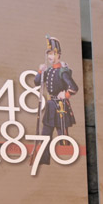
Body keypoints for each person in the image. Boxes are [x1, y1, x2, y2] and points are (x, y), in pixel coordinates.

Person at [33, 35, 79, 166]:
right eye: (49, 54)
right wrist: (40, 71)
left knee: (63, 137)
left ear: (58, 54)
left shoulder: (63, 71)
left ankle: (67, 160)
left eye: (52, 53)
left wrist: (66, 94)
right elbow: (37, 82)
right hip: (50, 106)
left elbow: (74, 87)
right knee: (45, 134)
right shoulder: (48, 70)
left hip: (60, 107)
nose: (50, 56)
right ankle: (44, 159)